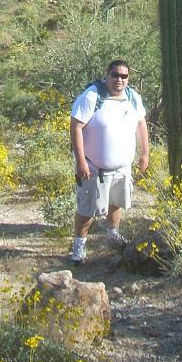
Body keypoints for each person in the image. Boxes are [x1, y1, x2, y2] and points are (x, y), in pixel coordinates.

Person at [69, 59, 149, 265]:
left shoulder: (132, 97)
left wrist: (145, 153)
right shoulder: (92, 97)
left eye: (124, 76)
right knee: (87, 209)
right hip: (94, 167)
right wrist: (80, 162)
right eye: (115, 75)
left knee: (115, 202)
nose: (119, 80)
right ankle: (79, 246)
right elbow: (76, 126)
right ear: (107, 74)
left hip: (122, 167)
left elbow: (141, 124)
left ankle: (112, 234)